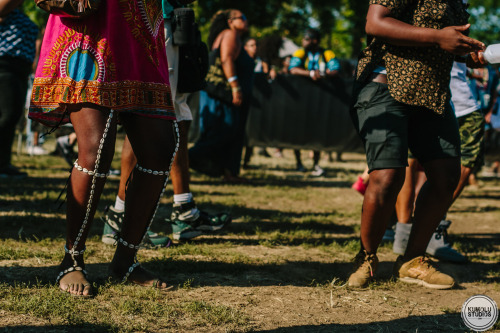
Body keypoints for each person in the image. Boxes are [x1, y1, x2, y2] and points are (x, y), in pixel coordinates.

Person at [30, 0, 179, 296]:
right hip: (90, 32)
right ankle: (71, 260)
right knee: (96, 149)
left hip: (139, 35)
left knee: (160, 149)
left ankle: (125, 262)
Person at [347, 0, 485, 289]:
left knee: (447, 177)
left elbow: (445, 40)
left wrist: (467, 53)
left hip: (433, 93)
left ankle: (412, 260)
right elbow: (376, 22)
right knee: (388, 175)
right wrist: (438, 37)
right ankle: (367, 257)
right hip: (386, 85)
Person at [101, 0, 231, 245]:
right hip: (153, 21)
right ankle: (121, 215)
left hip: (169, 22)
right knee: (145, 115)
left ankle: (184, 209)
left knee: (176, 118)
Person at [393, 60, 487, 263]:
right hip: (453, 100)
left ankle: (406, 232)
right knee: (413, 159)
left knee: (411, 159)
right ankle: (427, 227)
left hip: (416, 91)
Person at [189, 9, 255, 183]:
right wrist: (235, 86)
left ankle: (228, 172)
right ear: (230, 21)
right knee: (226, 130)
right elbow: (226, 60)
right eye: (243, 18)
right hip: (222, 94)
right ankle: (187, 158)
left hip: (218, 94)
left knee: (227, 131)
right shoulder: (230, 35)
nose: (246, 21)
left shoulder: (229, 36)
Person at [289, 28, 341, 177]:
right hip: (300, 98)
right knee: (297, 129)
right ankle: (298, 162)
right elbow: (293, 69)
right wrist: (311, 74)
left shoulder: (327, 53)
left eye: (306, 39)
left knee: (317, 130)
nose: (303, 42)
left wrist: (324, 74)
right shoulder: (300, 52)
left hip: (319, 100)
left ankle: (316, 164)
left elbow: (336, 69)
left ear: (315, 40)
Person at [0, 0, 38, 178]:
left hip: (20, 68)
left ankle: (3, 162)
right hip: (6, 64)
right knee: (7, 115)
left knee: (12, 115)